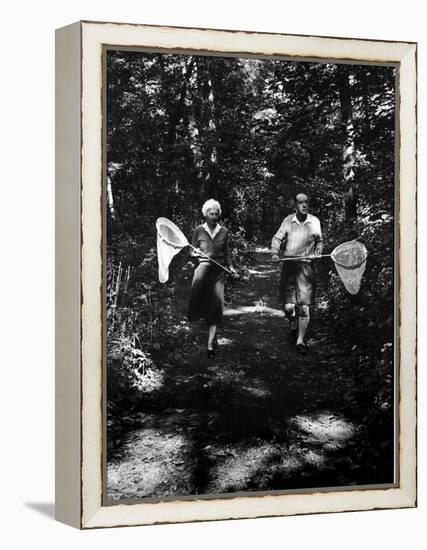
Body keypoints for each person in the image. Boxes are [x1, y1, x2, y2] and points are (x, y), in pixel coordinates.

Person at [271, 193, 323, 354]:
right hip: (289, 265)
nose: (304, 205)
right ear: (295, 205)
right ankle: (293, 324)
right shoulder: (288, 220)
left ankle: (300, 341)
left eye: (306, 202)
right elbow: (277, 238)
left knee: (304, 306)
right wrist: (274, 253)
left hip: (306, 266)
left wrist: (318, 251)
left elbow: (319, 241)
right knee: (288, 307)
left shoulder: (314, 221)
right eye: (300, 202)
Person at [188, 199, 237, 358]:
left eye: (216, 213)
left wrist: (231, 267)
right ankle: (208, 332)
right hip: (202, 271)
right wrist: (194, 254)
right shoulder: (198, 230)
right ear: (206, 214)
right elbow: (192, 251)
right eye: (211, 213)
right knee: (200, 304)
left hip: (218, 272)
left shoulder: (224, 231)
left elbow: (227, 253)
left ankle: (210, 344)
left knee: (215, 306)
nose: (214, 216)